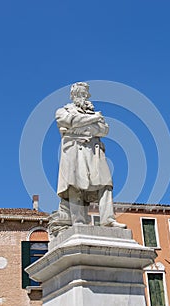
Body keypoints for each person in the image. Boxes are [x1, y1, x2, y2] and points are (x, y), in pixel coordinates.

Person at [54, 82, 126, 230]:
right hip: (74, 151)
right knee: (75, 184)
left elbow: (103, 130)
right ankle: (78, 221)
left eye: (85, 94)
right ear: (73, 95)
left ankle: (108, 219)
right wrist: (94, 120)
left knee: (106, 183)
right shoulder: (62, 111)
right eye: (80, 94)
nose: (84, 96)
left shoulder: (92, 112)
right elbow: (70, 121)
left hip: (94, 150)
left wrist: (78, 129)